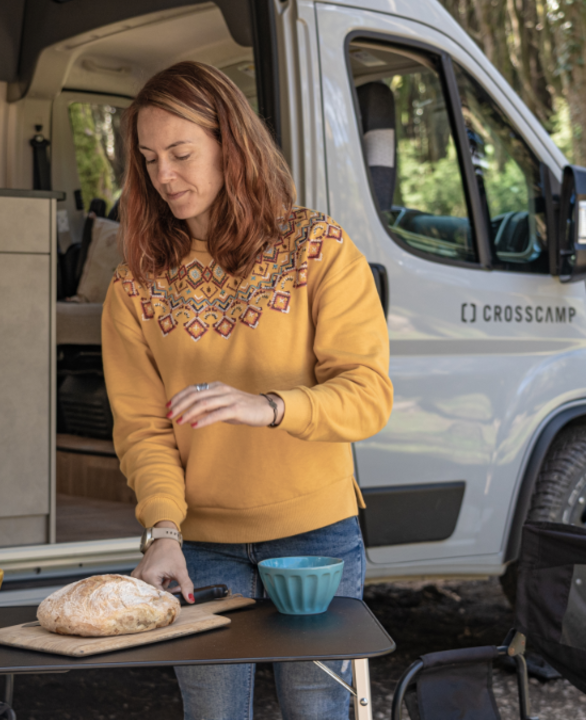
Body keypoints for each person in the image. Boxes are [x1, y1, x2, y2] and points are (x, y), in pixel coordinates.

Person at [102, 60, 393, 720]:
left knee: (317, 713)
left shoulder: (317, 250)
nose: (165, 176)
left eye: (181, 153)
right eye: (150, 160)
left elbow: (368, 395)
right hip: (198, 545)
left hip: (317, 539)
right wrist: (163, 530)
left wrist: (269, 407)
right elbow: (144, 429)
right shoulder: (135, 286)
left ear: (230, 146)